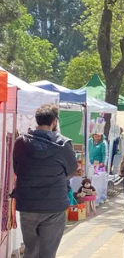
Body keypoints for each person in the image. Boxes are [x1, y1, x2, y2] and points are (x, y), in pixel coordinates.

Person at [13, 104, 78, 258]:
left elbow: (17, 169)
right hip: (53, 204)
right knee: (48, 252)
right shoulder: (63, 145)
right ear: (54, 122)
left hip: (28, 204)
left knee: (30, 249)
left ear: (37, 121)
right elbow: (71, 171)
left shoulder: (21, 142)